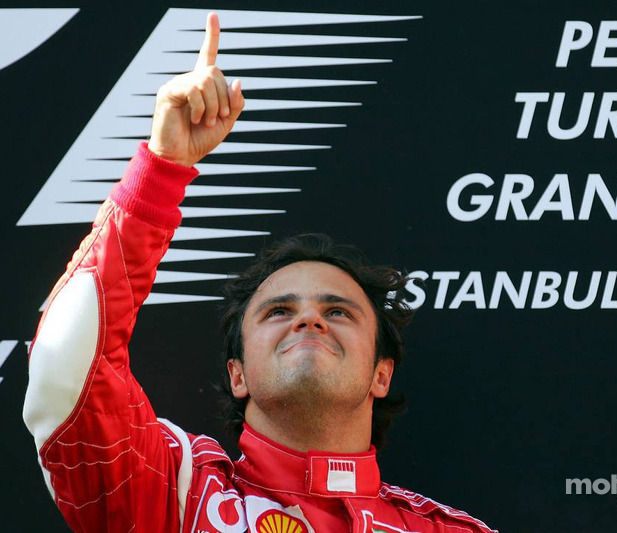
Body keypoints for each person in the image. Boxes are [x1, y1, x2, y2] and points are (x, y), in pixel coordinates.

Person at [22, 13, 496, 533]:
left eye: (337, 311)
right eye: (279, 310)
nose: (309, 320)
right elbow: (67, 372)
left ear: (381, 373)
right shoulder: (172, 491)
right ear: (237, 374)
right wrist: (161, 169)